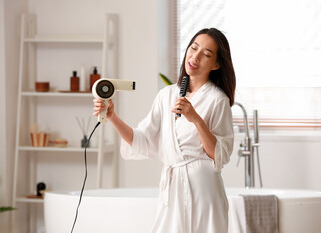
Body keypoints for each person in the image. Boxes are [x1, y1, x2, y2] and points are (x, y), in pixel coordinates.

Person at [93, 28, 236, 233]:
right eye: (193, 48)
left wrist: (195, 118)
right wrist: (112, 117)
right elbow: (142, 139)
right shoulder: (166, 95)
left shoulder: (217, 100)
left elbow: (219, 154)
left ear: (216, 64)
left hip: (204, 192)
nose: (195, 56)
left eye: (206, 54)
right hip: (173, 190)